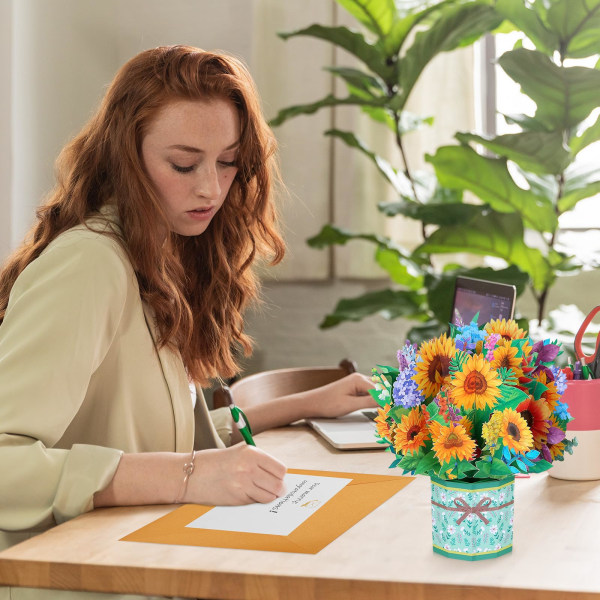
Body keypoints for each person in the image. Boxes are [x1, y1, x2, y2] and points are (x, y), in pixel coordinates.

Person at [0, 45, 375, 599]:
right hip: (79, 582)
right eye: (183, 164)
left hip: (144, 562)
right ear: (126, 157)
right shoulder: (90, 265)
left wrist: (303, 405)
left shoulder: (160, 258)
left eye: (228, 162)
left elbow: (158, 444)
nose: (211, 188)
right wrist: (191, 476)